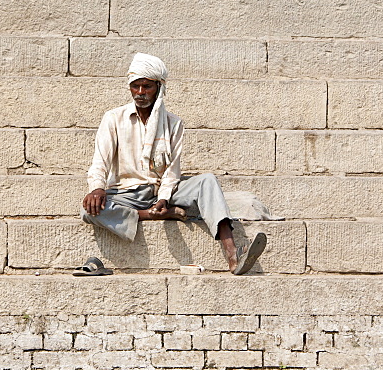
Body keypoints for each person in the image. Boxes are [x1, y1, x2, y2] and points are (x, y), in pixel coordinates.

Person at [80, 52, 266, 275]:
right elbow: (100, 160)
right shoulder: (113, 118)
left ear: (159, 87)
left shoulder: (174, 123)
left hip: (161, 190)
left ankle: (233, 255)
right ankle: (155, 214)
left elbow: (172, 171)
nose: (140, 93)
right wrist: (97, 188)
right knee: (88, 211)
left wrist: (163, 198)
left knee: (207, 181)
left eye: (146, 86)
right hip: (126, 193)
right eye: (135, 86)